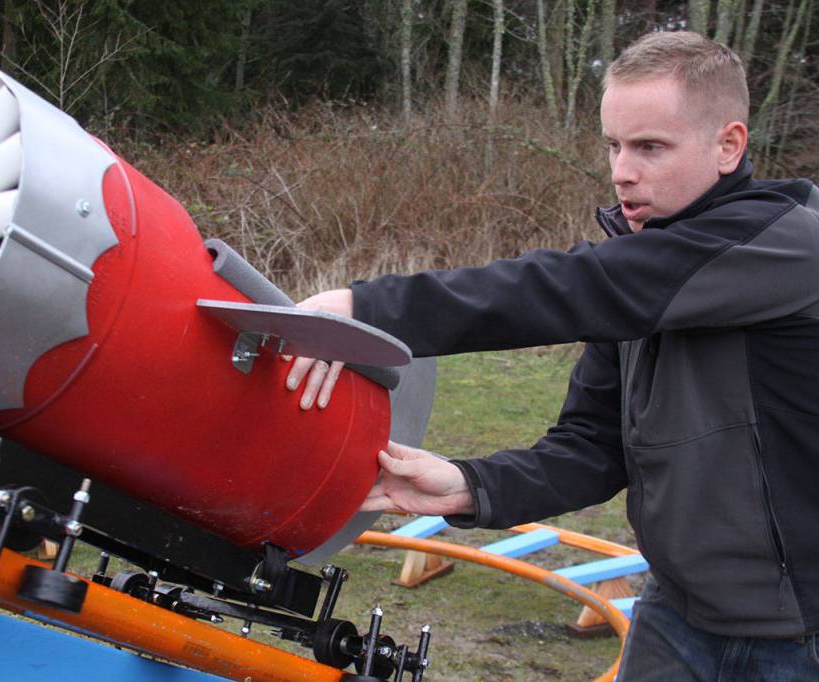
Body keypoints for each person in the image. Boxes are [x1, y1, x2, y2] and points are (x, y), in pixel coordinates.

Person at [285, 31, 819, 679]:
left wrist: (365, 308)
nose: (623, 170)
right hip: (678, 613)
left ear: (728, 145)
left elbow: (572, 287)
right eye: (615, 146)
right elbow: (592, 446)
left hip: (799, 634)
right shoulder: (642, 271)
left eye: (651, 147)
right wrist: (467, 485)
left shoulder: (786, 244)